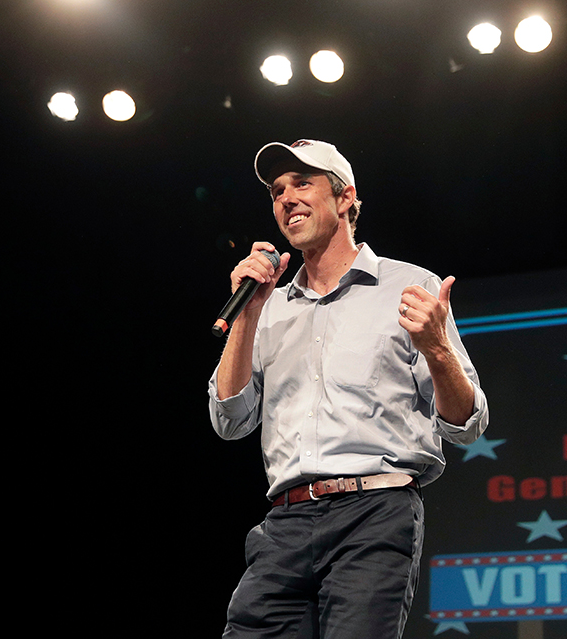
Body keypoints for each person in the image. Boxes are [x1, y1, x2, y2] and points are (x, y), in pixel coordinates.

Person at [207, 139, 489, 639]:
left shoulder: (409, 287)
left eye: (302, 184)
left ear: (344, 199)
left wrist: (437, 350)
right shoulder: (267, 306)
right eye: (276, 191)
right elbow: (229, 419)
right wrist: (248, 314)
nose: (286, 198)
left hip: (374, 516)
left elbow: (467, 424)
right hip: (285, 524)